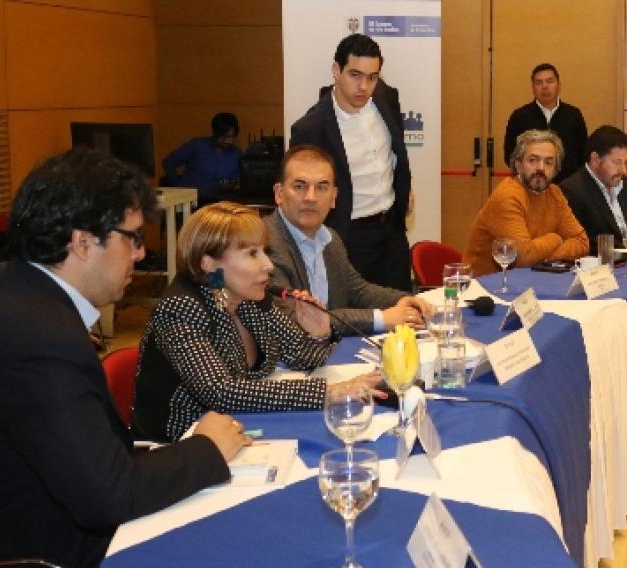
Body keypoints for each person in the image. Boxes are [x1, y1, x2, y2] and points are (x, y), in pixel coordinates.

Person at [0, 149, 246, 568]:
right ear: (82, 242)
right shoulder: (34, 337)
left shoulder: (2, 291)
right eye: (131, 237)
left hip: (14, 547)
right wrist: (206, 448)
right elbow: (110, 495)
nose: (142, 251)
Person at [131, 202, 380, 442]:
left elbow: (301, 355)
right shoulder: (182, 309)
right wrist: (328, 392)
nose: (268, 265)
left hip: (241, 428)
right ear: (209, 264)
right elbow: (221, 392)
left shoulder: (247, 298)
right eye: (252, 254)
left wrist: (319, 334)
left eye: (264, 251)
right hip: (182, 444)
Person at [266, 144, 431, 335]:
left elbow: (358, 291)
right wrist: (381, 319)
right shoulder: (264, 244)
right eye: (299, 186)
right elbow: (294, 319)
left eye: (321, 187)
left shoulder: (330, 239)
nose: (311, 197)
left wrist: (404, 300)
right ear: (279, 193)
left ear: (333, 197)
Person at [291, 34, 413, 292]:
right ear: (336, 70)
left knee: (403, 305)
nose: (364, 87)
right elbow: (301, 191)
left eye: (372, 77)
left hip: (391, 229)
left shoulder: (386, 98)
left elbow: (396, 150)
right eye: (355, 75)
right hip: (348, 235)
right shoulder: (311, 128)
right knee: (354, 310)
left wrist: (405, 190)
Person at [465, 129, 588, 276]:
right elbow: (522, 257)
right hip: (488, 283)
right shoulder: (508, 196)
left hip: (534, 277)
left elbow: (581, 242)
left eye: (548, 162)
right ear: (518, 165)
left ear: (556, 169)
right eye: (533, 160)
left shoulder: (555, 193)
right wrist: (556, 239)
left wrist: (543, 257)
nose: (541, 168)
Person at [558, 125, 627, 253]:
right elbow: (584, 243)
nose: (623, 170)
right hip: (604, 262)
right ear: (595, 159)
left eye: (625, 162)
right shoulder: (572, 190)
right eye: (617, 162)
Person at [503, 63, 588, 183]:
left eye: (550, 81)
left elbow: (583, 153)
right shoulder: (519, 116)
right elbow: (510, 155)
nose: (544, 86)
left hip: (568, 185)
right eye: (539, 82)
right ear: (532, 88)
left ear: (559, 85)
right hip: (531, 184)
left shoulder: (574, 115)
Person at [161, 112, 243, 202]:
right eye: (224, 137)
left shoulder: (237, 154)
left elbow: (238, 181)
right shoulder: (197, 145)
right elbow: (168, 162)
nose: (228, 141)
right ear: (216, 133)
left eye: (232, 137)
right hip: (189, 201)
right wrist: (178, 188)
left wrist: (231, 185)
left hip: (218, 203)